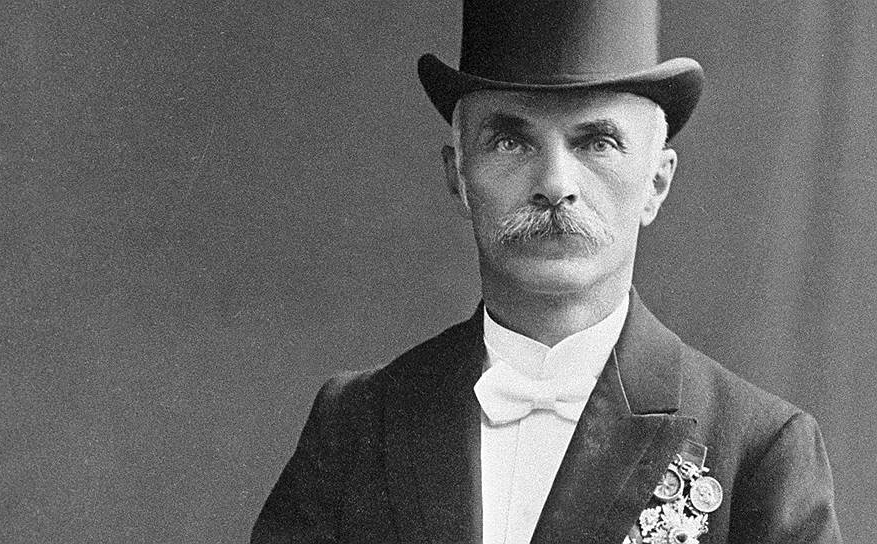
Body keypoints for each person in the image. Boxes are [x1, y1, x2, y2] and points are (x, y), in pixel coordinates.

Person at [251, 0, 842, 542]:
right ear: (458, 177)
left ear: (657, 182)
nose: (556, 185)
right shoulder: (356, 424)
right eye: (511, 142)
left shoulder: (758, 451)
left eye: (597, 143)